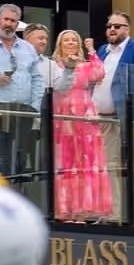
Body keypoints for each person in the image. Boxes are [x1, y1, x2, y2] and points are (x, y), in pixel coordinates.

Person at [94, 12, 134, 220]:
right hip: (97, 118)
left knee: (113, 167)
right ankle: (104, 211)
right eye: (109, 26)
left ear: (127, 29)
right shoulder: (102, 50)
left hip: (121, 117)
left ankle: (114, 215)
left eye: (118, 26)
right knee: (100, 167)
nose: (112, 29)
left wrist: (131, 115)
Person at [51, 30, 112, 223]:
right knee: (67, 161)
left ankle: (83, 210)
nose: (70, 43)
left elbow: (100, 72)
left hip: (84, 113)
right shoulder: (55, 65)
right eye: (66, 40)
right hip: (63, 112)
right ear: (60, 44)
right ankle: (66, 209)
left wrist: (92, 50)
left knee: (85, 160)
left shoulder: (85, 66)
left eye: (74, 40)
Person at [0, 4, 43, 185]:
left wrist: (35, 105)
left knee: (19, 154)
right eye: (6, 20)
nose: (8, 24)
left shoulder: (27, 48)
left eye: (13, 21)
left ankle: (16, 196)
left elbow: (37, 78)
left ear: (18, 24)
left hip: (23, 109)